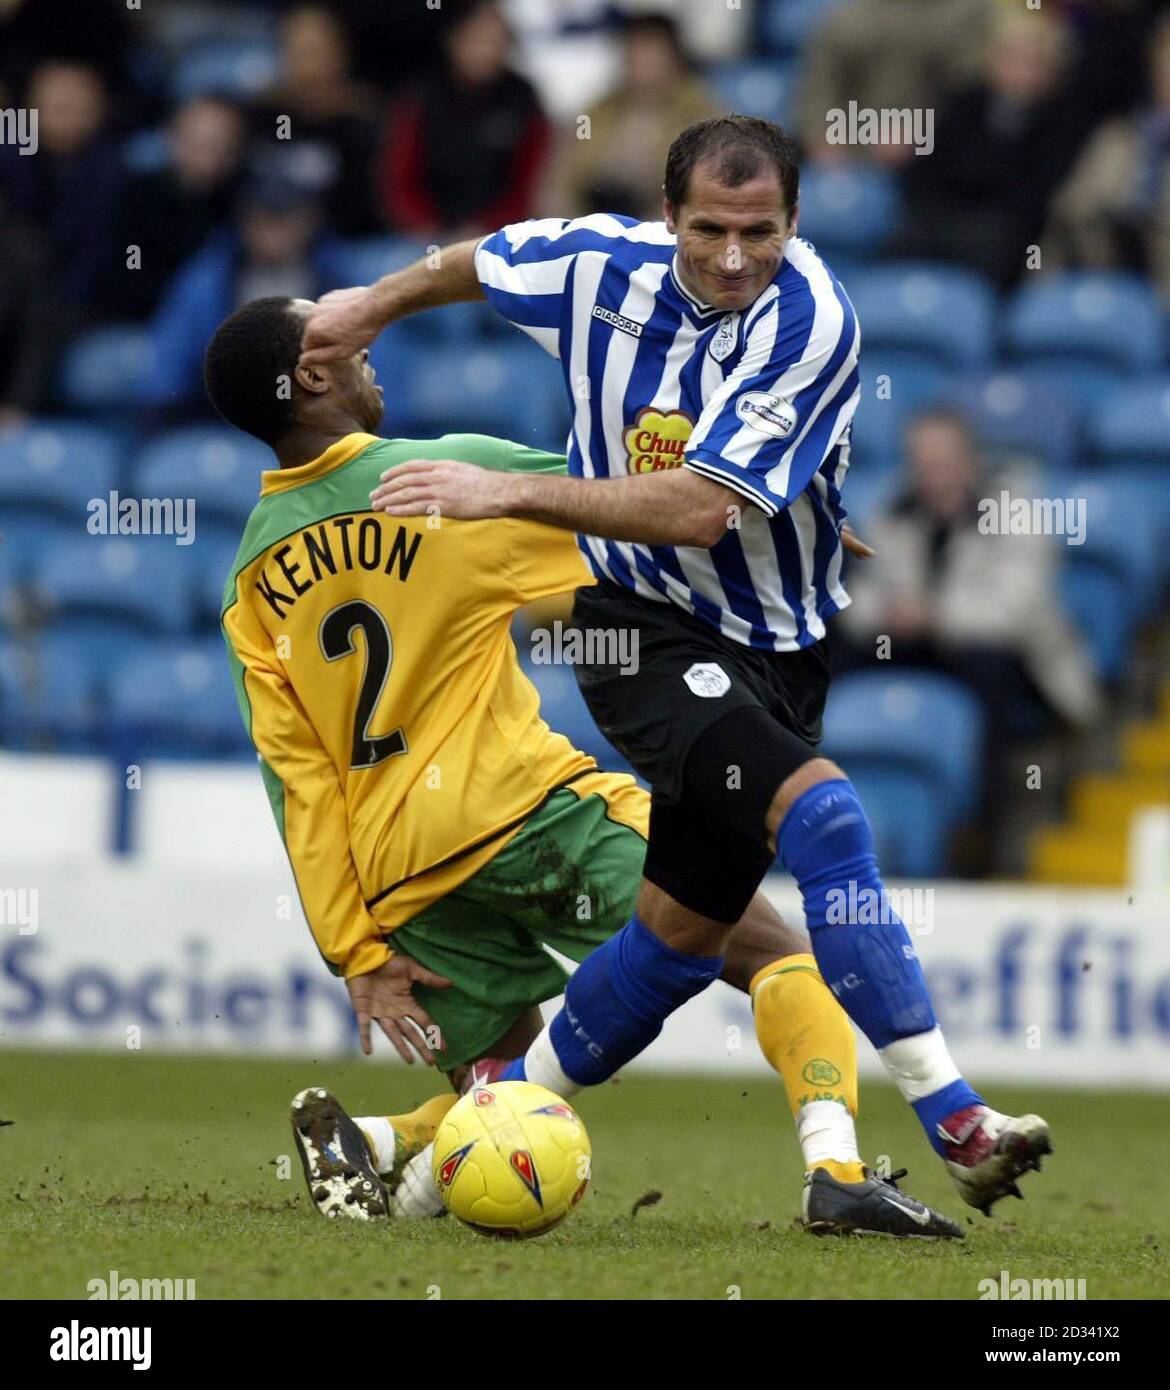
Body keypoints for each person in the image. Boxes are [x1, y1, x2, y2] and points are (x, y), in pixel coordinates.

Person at [304, 115, 1053, 1217]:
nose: (737, 255)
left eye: (761, 231)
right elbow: (483, 256)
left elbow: (703, 509)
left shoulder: (814, 320)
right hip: (644, 634)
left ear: (795, 222)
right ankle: (958, 1118)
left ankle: (415, 1178)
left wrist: (505, 489)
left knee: (673, 947)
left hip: (781, 647)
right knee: (829, 816)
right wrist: (370, 304)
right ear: (670, 219)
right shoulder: (600, 264)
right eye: (710, 229)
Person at [206, 294, 961, 1238]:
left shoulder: (246, 583)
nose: (371, 349)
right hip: (525, 813)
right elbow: (648, 511)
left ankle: (382, 1143)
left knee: (514, 1100)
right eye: (343, 332)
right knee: (782, 954)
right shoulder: (444, 481)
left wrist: (354, 951)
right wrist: (783, 528)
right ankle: (837, 1169)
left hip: (398, 872)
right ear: (312, 373)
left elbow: (299, 783)